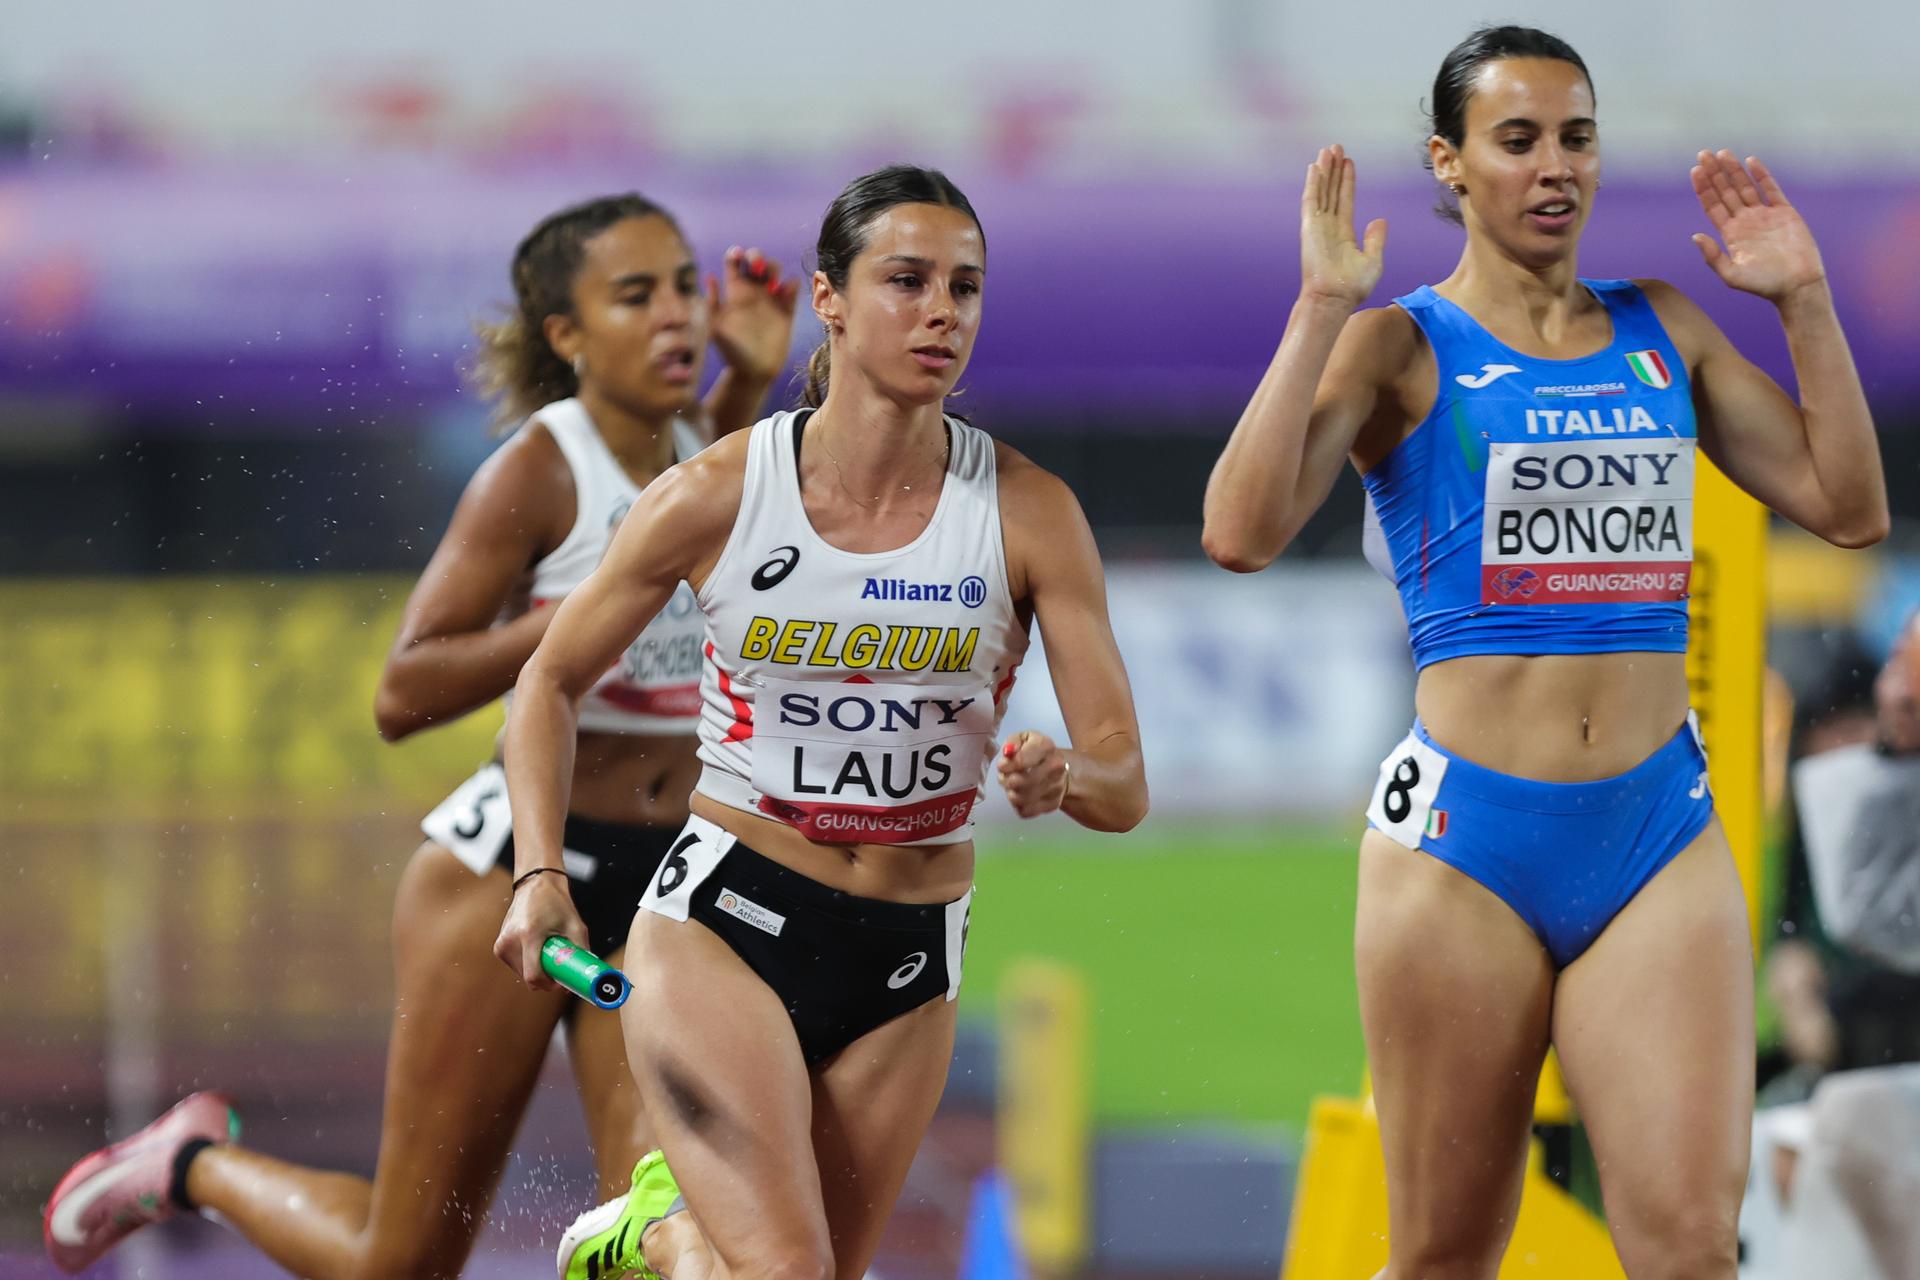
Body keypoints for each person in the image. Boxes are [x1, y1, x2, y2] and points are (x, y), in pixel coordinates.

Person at [1202, 24, 1887, 1279]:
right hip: (1465, 848)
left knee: (1690, 1249)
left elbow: (1848, 506)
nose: (1554, 164)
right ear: (1451, 165)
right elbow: (1237, 530)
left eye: (1576, 136)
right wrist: (1316, 311)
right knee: (1447, 1253)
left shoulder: (1662, 329)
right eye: (1516, 139)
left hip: (1653, 830)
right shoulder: (1401, 347)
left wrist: (1806, 302)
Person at [42, 193, 799, 1279]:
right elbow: (403, 690)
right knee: (400, 1262)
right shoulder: (540, 472)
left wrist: (752, 380)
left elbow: (708, 506)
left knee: (664, 1223)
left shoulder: (712, 445)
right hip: (510, 876)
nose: (676, 313)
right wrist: (568, 621)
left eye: (684, 284)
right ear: (568, 337)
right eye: (635, 295)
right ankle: (190, 1161)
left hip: (663, 887)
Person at [492, 164, 1148, 1280]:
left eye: (966, 287)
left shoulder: (1030, 511)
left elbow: (1124, 782)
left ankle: (657, 1234)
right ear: (830, 298)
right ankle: (675, 1228)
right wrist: (537, 870)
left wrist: (1064, 776)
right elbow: (545, 683)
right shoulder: (717, 492)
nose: (943, 311)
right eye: (907, 280)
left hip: (906, 958)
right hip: (723, 923)